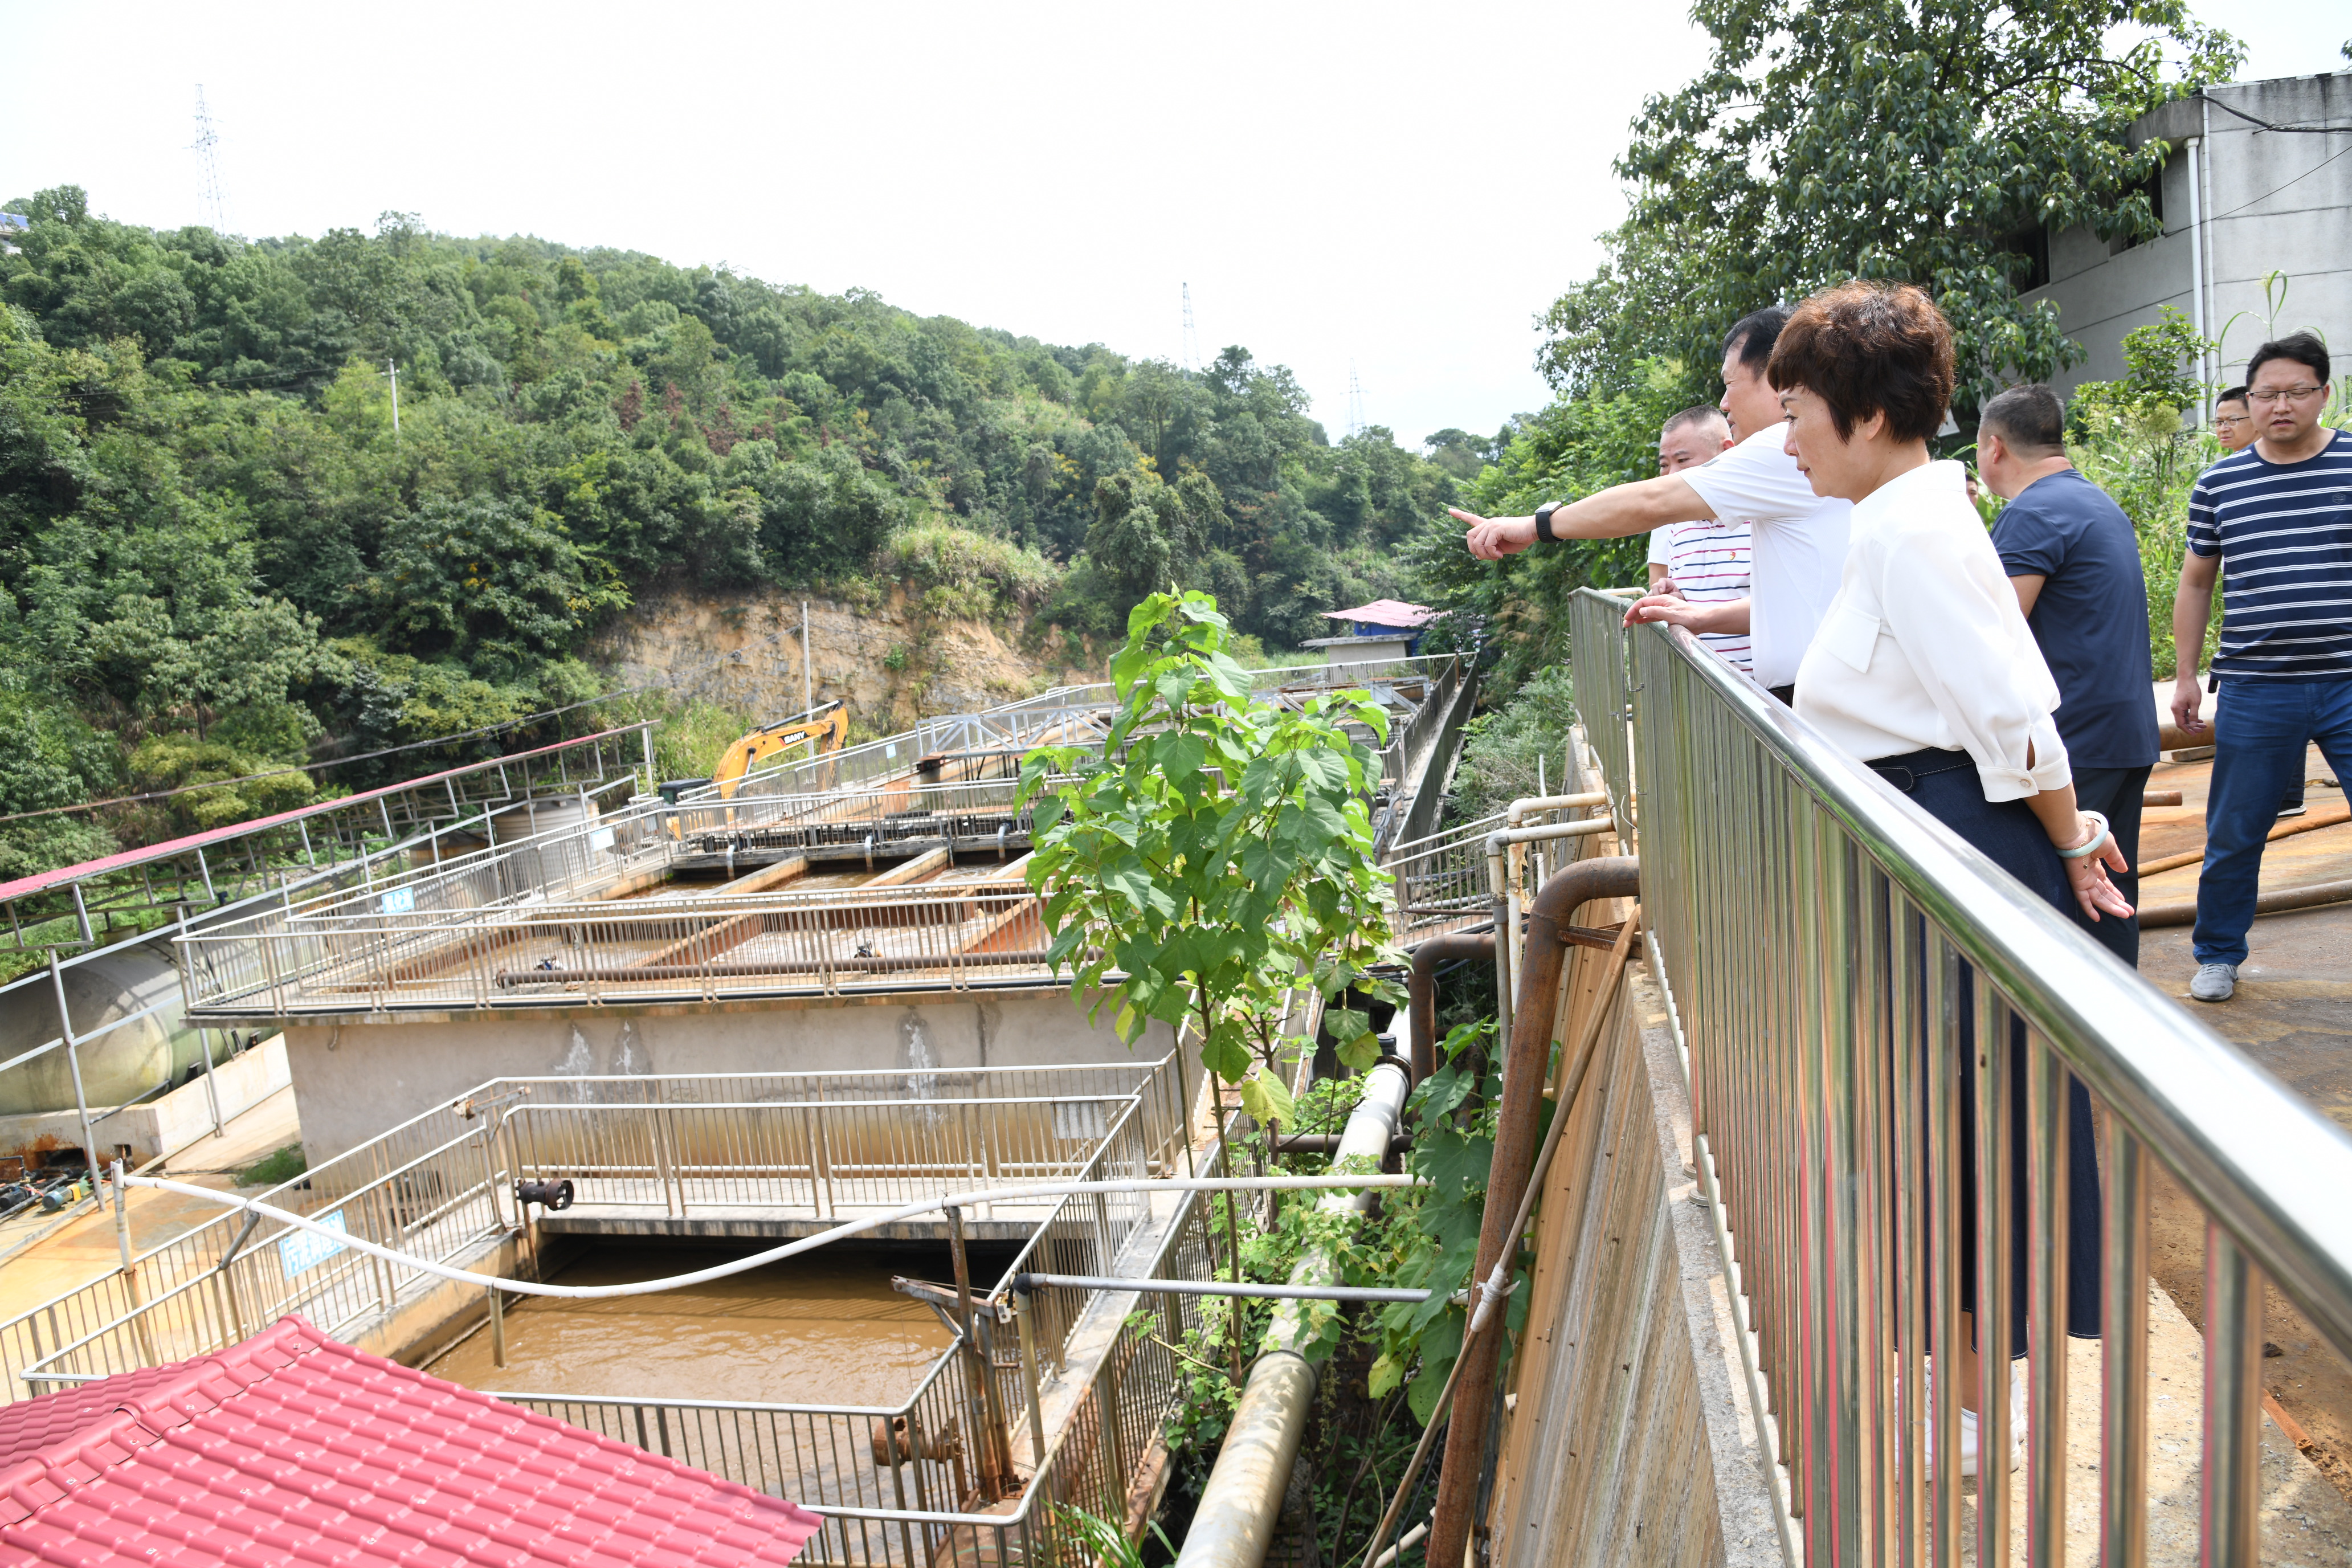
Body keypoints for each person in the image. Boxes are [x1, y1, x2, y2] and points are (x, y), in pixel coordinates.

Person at [1771, 279, 2120, 1472]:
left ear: (1866, 414)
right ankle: (1968, 1390)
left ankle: (1986, 1410)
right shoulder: (1898, 516)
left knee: (1971, 1131)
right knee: (1944, 1124)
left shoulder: (1916, 524)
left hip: (1961, 840)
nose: (1790, 438)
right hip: (1927, 838)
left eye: (1799, 410)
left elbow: (2014, 711)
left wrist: (2072, 843)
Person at [1453, 307, 1850, 702]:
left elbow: (1650, 502)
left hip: (1812, 698)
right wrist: (1699, 616)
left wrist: (1536, 526)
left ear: (1775, 378)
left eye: (1731, 384)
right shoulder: (1810, 447)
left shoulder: (1778, 450)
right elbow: (1795, 600)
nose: (1724, 404)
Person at [2169, 332, 2352, 1002]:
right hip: (2255, 686)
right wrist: (2186, 676)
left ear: (2323, 394)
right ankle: (2218, 952)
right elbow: (2195, 583)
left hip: (2348, 681)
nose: (2281, 405)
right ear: (2249, 400)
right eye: (2266, 394)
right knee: (2235, 832)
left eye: (2297, 391)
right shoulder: (2220, 482)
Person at [1977, 383, 2161, 966]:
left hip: (2074, 738)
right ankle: (2122, 1036)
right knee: (2108, 892)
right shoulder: (2094, 501)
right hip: (2123, 732)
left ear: (1994, 447)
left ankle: (2075, 1047)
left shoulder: (2033, 513)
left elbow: (1996, 638)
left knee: (2062, 901)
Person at [2206, 385, 2304, 818]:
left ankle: (2287, 793)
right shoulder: (2221, 479)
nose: (2223, 429)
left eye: (2232, 420)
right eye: (2219, 421)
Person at [1645, 407, 1753, 672]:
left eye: (1683, 460)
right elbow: (1686, 600)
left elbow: (1780, 605)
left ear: (1726, 452)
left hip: (1760, 697)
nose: (1671, 476)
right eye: (1664, 464)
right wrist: (1673, 596)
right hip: (1700, 692)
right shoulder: (1676, 527)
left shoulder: (1763, 518)